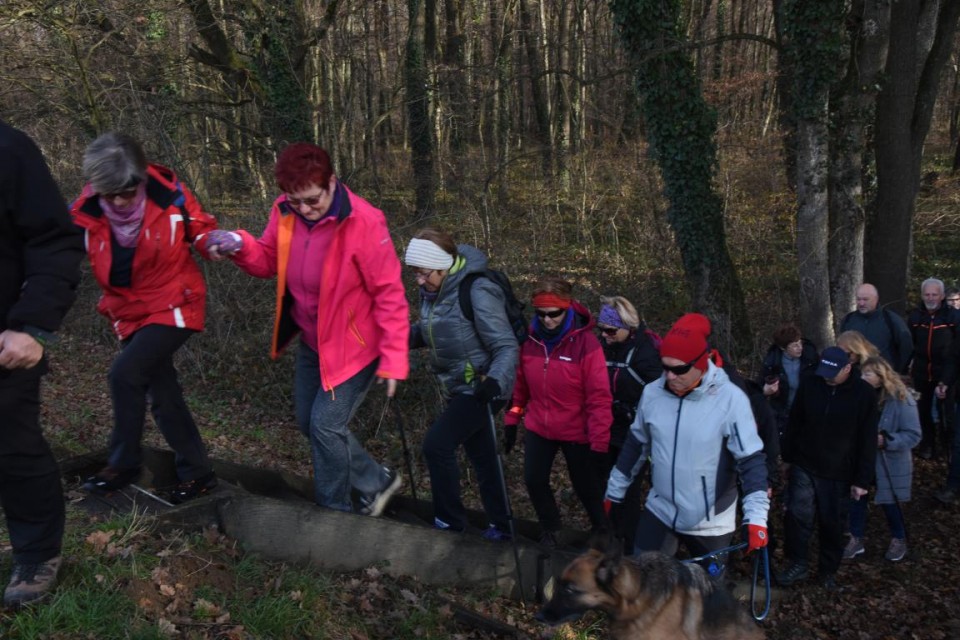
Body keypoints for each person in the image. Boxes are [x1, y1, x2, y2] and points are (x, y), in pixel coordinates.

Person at [212, 142, 408, 515]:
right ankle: (375, 480)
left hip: (356, 347)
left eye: (312, 201)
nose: (303, 209)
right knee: (308, 423)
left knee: (324, 426)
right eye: (294, 200)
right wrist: (239, 244)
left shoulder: (364, 222)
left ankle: (334, 512)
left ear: (331, 182)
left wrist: (395, 359)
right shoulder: (284, 211)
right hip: (312, 341)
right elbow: (268, 258)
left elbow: (389, 293)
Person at [72, 133, 219, 503]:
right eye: (110, 195)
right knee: (163, 393)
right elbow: (53, 251)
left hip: (175, 303)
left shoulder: (169, 196)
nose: (120, 201)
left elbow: (200, 228)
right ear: (96, 188)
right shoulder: (84, 212)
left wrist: (215, 243)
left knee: (125, 374)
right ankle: (198, 473)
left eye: (127, 191)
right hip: (128, 311)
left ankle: (123, 464)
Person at [605, 313, 770, 566]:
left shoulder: (730, 399)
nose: (670, 376)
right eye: (665, 367)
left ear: (702, 363)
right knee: (645, 586)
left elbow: (750, 461)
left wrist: (756, 518)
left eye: (679, 369)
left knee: (707, 595)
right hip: (660, 510)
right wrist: (614, 489)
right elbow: (637, 443)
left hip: (709, 522)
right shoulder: (652, 393)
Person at [0, 121, 83, 607]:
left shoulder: (9, 150)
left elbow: (55, 242)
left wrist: (31, 326)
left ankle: (37, 553)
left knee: (12, 448)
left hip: (5, 343)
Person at [403, 228, 518, 539]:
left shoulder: (477, 291)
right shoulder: (432, 292)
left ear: (443, 266)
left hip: (484, 386)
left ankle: (449, 522)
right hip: (460, 386)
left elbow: (506, 345)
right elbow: (431, 329)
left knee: (437, 445)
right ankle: (502, 524)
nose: (419, 280)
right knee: (482, 456)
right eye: (415, 273)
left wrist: (495, 381)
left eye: (424, 273)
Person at [504, 276, 612, 546]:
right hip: (540, 425)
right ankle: (551, 527)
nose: (547, 320)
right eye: (541, 314)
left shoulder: (586, 345)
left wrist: (599, 442)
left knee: (585, 484)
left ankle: (602, 528)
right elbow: (521, 386)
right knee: (533, 479)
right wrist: (512, 417)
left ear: (568, 308)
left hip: (577, 429)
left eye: (554, 314)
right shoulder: (529, 341)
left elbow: (599, 397)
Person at [777, 346, 879, 591]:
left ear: (847, 368)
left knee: (832, 523)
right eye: (824, 372)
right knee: (797, 516)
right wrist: (787, 457)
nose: (827, 377)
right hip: (805, 463)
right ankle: (798, 562)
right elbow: (795, 421)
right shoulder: (811, 384)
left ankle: (827, 571)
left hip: (840, 472)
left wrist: (862, 480)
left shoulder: (863, 394)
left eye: (833, 373)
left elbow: (867, 439)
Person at [596, 295, 661, 552]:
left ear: (628, 327)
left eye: (611, 330)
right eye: (601, 330)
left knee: (629, 490)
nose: (605, 336)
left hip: (634, 433)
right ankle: (609, 537)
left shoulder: (645, 354)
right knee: (604, 485)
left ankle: (631, 546)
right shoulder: (602, 347)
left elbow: (659, 393)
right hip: (605, 428)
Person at [843, 356, 920, 563]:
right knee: (857, 497)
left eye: (867, 374)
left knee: (890, 502)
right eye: (862, 373)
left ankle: (899, 538)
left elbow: (913, 435)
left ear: (881, 376)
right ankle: (856, 537)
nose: (862, 377)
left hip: (889, 462)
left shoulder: (902, 399)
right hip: (863, 459)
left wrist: (886, 441)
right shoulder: (859, 396)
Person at [907, 278, 960, 459]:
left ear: (942, 296)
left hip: (946, 371)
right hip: (922, 371)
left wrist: (947, 379)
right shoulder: (915, 316)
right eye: (927, 294)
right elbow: (910, 344)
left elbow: (956, 349)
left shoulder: (953, 317)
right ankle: (927, 444)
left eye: (934, 294)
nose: (930, 298)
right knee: (922, 410)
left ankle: (948, 447)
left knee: (947, 413)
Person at [759, 323, 818, 442]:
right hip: (784, 413)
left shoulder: (811, 358)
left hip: (808, 411)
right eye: (794, 345)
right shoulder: (772, 363)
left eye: (800, 343)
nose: (800, 347)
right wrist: (765, 391)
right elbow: (759, 386)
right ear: (783, 348)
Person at [839, 283, 912, 373]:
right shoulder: (848, 320)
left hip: (884, 375)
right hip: (855, 376)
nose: (861, 303)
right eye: (858, 299)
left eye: (865, 299)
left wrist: (898, 371)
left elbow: (906, 347)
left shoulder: (891, 320)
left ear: (876, 299)